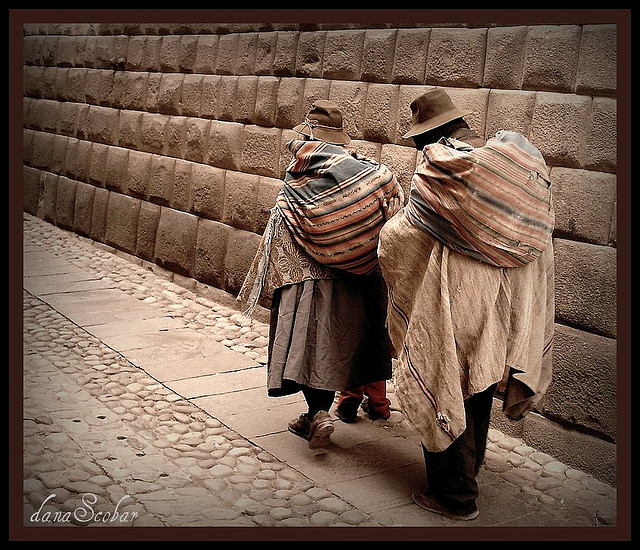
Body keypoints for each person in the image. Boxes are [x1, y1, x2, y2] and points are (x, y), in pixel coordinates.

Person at [377, 89, 555, 520]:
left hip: (456, 301)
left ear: (429, 134)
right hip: (509, 301)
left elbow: (404, 238)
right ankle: (470, 469)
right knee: (479, 382)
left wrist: (386, 236)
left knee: (444, 380)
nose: (418, 148)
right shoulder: (517, 170)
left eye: (418, 140)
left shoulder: (441, 170)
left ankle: (454, 496)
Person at [238, 100, 404, 448]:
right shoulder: (369, 173)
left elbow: (283, 228)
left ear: (308, 135)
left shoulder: (298, 176)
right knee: (345, 343)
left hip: (311, 279)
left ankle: (317, 413)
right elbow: (392, 213)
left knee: (311, 345)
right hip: (357, 280)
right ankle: (336, 410)